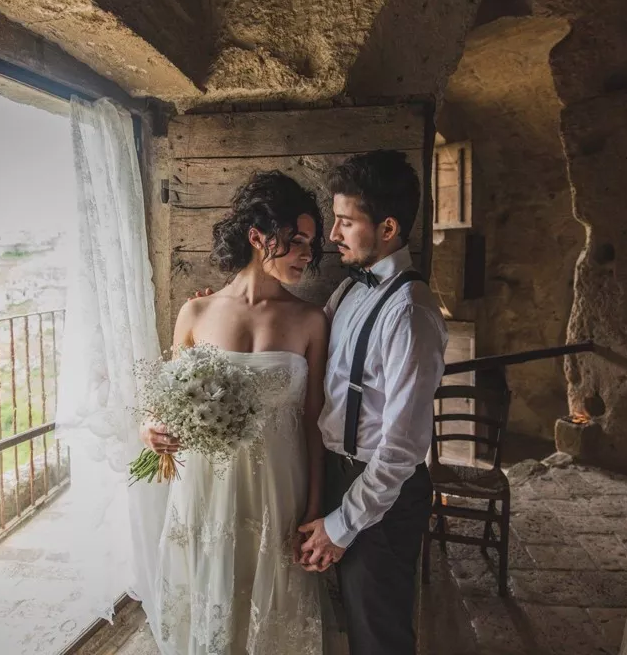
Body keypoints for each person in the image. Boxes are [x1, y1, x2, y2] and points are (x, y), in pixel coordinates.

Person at [140, 171, 329, 654]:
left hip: (277, 491)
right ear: (258, 237)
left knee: (269, 602)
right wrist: (152, 430)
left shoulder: (311, 320)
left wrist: (315, 507)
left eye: (311, 244)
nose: (307, 254)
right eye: (297, 241)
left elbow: (314, 422)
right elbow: (167, 402)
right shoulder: (196, 313)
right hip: (205, 488)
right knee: (210, 597)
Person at [297, 150, 447, 655]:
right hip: (338, 475)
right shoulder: (347, 290)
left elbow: (402, 448)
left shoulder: (410, 313)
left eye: (345, 221)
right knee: (347, 625)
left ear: (387, 228)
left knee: (378, 636)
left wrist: (342, 525)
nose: (332, 234)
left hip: (383, 492)